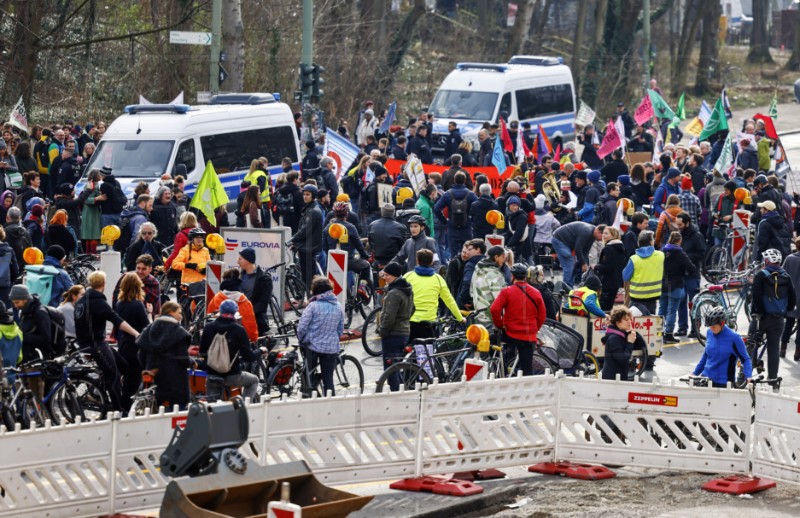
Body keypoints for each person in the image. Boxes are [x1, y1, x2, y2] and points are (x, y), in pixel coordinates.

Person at [74, 271, 141, 412]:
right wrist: (136, 333)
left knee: (123, 366)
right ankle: (118, 410)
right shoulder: (98, 302)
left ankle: (102, 387)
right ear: (103, 284)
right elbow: (116, 320)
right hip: (96, 344)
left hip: (85, 343)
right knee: (114, 375)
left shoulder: (82, 300)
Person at [200, 299, 266, 401]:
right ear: (235, 313)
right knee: (254, 380)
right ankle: (243, 407)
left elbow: (202, 351)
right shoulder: (239, 330)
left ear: (220, 311)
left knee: (211, 406)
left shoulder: (208, 328)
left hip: (212, 374)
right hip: (232, 375)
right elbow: (248, 357)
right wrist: (261, 351)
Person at [490, 263, 547, 376]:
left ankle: (501, 369)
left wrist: (500, 325)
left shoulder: (507, 291)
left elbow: (494, 309)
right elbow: (542, 315)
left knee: (491, 340)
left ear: (512, 277)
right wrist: (534, 330)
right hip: (528, 335)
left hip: (510, 334)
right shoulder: (536, 293)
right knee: (527, 369)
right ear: (525, 277)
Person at [750, 249, 795, 380]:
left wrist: (759, 312)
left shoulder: (761, 275)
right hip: (778, 319)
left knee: (750, 345)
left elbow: (756, 296)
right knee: (774, 350)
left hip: (760, 319)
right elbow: (792, 298)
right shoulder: (786, 276)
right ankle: (772, 380)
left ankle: (743, 375)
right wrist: (785, 312)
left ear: (767, 261)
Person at [136, 302, 192, 410]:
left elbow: (140, 355)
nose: (181, 316)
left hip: (153, 375)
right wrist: (192, 362)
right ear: (171, 312)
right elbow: (183, 359)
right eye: (179, 313)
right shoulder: (179, 333)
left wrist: (148, 366)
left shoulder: (149, 330)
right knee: (176, 411)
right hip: (175, 381)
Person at [297, 277, 344, 396]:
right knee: (328, 380)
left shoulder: (313, 306)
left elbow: (302, 327)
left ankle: (308, 391)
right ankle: (329, 404)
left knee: (308, 373)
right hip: (331, 349)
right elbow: (340, 330)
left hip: (312, 346)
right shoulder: (338, 306)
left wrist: (302, 340)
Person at [404, 249, 464, 341]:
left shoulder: (408, 276)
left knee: (407, 349)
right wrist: (460, 318)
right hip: (429, 322)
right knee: (427, 351)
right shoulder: (438, 279)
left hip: (409, 320)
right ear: (432, 262)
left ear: (417, 261)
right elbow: (449, 300)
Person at [114, 273, 152, 412]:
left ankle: (122, 403)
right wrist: (149, 312)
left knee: (127, 376)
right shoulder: (137, 305)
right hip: (135, 345)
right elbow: (147, 326)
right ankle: (125, 406)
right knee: (134, 378)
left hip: (123, 343)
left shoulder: (119, 303)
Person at [692, 307, 752, 387]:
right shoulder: (709, 333)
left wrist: (748, 376)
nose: (711, 329)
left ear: (722, 323)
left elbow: (745, 359)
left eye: (714, 326)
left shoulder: (734, 338)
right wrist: (694, 373)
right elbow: (706, 356)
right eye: (710, 326)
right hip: (706, 378)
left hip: (724, 384)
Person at [378, 263, 415, 392]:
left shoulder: (394, 293)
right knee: (396, 366)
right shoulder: (407, 289)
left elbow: (389, 317)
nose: (385, 277)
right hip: (404, 332)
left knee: (390, 371)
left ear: (394, 276)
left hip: (392, 334)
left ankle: (396, 396)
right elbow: (413, 309)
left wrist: (382, 331)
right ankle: (401, 391)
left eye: (387, 275)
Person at [659, 232, 697, 344]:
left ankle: (659, 332)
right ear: (679, 241)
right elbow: (691, 268)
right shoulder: (679, 252)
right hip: (676, 284)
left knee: (662, 310)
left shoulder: (662, 251)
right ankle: (668, 334)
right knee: (672, 310)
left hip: (662, 284)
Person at [675, 212, 706, 337]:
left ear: (687, 223)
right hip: (680, 273)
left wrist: (685, 257)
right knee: (681, 301)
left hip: (692, 273)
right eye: (677, 224)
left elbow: (702, 253)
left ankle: (695, 328)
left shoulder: (696, 236)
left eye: (680, 224)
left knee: (694, 302)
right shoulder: (678, 235)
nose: (678, 227)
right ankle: (682, 327)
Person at [207, 269, 259, 342]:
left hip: (216, 340)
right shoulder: (245, 303)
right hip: (238, 343)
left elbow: (209, 320)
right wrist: (254, 339)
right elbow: (250, 326)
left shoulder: (215, 299)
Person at [434, 172, 477, 259]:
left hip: (452, 227)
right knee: (467, 254)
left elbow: (436, 208)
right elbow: (478, 207)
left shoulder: (448, 194)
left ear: (454, 180)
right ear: (464, 181)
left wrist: (445, 221)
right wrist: (472, 220)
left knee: (453, 254)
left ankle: (454, 270)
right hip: (466, 227)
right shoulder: (470, 194)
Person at [290, 184, 324, 293]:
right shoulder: (309, 208)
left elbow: (305, 230)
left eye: (307, 195)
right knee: (307, 276)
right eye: (304, 194)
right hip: (306, 246)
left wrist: (292, 239)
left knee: (308, 278)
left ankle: (312, 298)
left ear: (313, 196)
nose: (305, 197)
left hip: (308, 248)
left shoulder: (313, 211)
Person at [622, 230, 664, 315]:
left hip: (636, 298)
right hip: (653, 295)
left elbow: (625, 277)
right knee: (650, 323)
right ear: (651, 242)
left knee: (635, 324)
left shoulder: (634, 259)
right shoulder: (660, 255)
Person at [551, 222, 605, 289]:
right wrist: (583, 263)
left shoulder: (593, 235)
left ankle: (570, 283)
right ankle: (567, 288)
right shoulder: (587, 232)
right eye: (602, 237)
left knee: (574, 263)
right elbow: (578, 249)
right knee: (569, 263)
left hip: (567, 242)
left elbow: (585, 251)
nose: (602, 240)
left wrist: (586, 264)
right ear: (599, 231)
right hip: (559, 239)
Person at [469, 245, 512, 327]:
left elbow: (471, 292)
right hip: (491, 318)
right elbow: (501, 300)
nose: (504, 260)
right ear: (496, 257)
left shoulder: (477, 270)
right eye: (503, 257)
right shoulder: (495, 275)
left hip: (478, 315)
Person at [602, 306, 647, 381]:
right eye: (626, 320)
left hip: (618, 378)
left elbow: (642, 345)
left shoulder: (622, 334)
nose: (629, 321)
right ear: (618, 322)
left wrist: (632, 331)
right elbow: (622, 359)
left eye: (630, 319)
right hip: (612, 380)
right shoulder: (614, 338)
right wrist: (630, 343)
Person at [236, 247, 274, 336]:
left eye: (240, 259)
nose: (237, 262)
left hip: (254, 318)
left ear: (248, 260)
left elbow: (263, 303)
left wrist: (247, 312)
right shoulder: (239, 276)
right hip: (238, 317)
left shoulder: (264, 279)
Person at [11, 285, 52, 362]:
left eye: (17, 302)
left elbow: (46, 338)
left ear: (25, 299)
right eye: (13, 303)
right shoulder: (24, 311)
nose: (15, 306)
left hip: (38, 358)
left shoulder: (40, 313)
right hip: (29, 356)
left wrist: (22, 336)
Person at [593, 226, 627, 311]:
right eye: (603, 233)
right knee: (609, 306)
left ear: (613, 235)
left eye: (606, 233)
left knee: (602, 307)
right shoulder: (620, 247)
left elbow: (607, 267)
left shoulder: (608, 249)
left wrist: (596, 266)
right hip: (616, 281)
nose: (603, 235)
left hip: (607, 282)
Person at [781, 238, 800, 360]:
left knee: (789, 323)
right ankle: (798, 352)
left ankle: (782, 349)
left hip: (791, 297)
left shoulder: (789, 258)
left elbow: (782, 275)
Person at [79, 169, 105, 254]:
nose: (101, 176)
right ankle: (91, 254)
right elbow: (85, 199)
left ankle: (91, 253)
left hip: (94, 211)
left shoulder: (96, 185)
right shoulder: (90, 185)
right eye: (99, 174)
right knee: (92, 234)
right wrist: (97, 198)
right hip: (89, 212)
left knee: (93, 234)